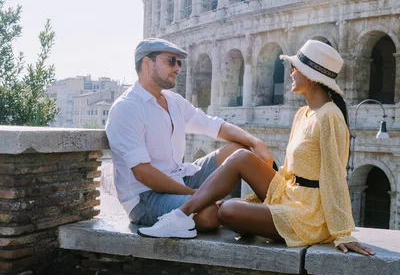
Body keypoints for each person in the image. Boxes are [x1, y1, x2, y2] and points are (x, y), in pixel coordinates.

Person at [137, 40, 375, 257]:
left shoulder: (329, 117)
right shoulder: (304, 113)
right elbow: (287, 171)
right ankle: (180, 217)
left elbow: (334, 175)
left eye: (294, 67)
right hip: (291, 194)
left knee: (228, 211)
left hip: (309, 214)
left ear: (310, 76)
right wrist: (261, 194)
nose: (290, 72)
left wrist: (343, 232)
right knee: (241, 155)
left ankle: (180, 216)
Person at [105, 37, 273, 232]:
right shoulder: (127, 108)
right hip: (145, 198)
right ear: (146, 63)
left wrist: (255, 141)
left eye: (179, 62)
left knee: (238, 150)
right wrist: (196, 195)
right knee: (207, 214)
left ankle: (283, 210)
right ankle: (263, 219)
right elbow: (144, 174)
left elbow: (213, 125)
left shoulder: (173, 101)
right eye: (171, 61)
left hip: (179, 177)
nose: (178, 68)